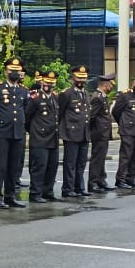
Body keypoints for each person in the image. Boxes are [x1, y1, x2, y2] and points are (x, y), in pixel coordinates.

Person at [0, 58, 29, 209]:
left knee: (14, 166)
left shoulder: (23, 91)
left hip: (18, 132)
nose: (15, 73)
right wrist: (0, 121)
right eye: (12, 70)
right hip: (2, 132)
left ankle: (10, 196)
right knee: (0, 166)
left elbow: (26, 110)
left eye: (17, 70)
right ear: (6, 72)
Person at [25, 70, 60, 203]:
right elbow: (27, 118)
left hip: (53, 138)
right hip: (40, 139)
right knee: (39, 167)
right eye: (46, 82)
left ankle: (48, 191)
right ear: (41, 82)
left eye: (51, 83)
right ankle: (35, 193)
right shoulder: (35, 98)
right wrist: (34, 131)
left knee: (52, 166)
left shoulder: (55, 98)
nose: (48, 85)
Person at [57, 65, 92, 197]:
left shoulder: (86, 93)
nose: (81, 80)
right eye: (79, 77)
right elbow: (60, 114)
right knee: (70, 163)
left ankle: (79, 187)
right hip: (71, 133)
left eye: (84, 78)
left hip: (84, 133)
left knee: (81, 163)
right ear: (73, 78)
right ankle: (68, 188)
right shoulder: (67, 94)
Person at [112, 75, 135, 191]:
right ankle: (121, 180)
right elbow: (116, 112)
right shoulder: (125, 95)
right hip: (128, 130)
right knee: (126, 156)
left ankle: (131, 179)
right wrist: (123, 123)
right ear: (133, 82)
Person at [88, 73, 115, 192]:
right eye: (110, 85)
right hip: (98, 133)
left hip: (103, 133)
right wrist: (95, 130)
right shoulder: (97, 97)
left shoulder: (102, 96)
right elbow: (91, 117)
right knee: (97, 158)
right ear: (105, 85)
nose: (111, 87)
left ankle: (101, 180)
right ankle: (93, 182)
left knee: (102, 157)